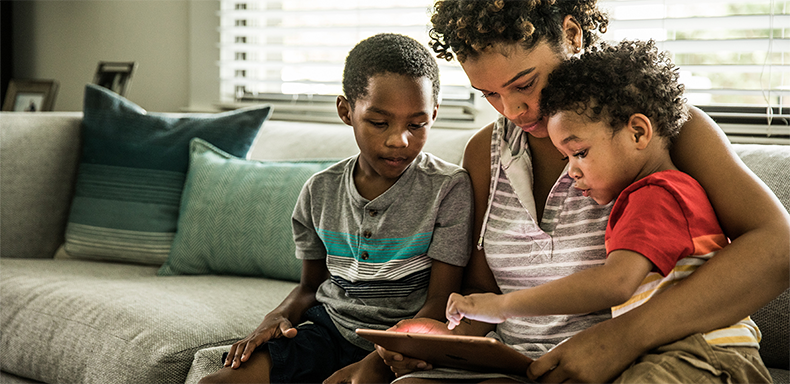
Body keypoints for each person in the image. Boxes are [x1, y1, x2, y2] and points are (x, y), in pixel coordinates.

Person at [376, 1, 789, 383]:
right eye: (490, 94)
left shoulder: (655, 131)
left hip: (641, 361)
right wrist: (438, 340)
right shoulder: (486, 153)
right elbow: (486, 296)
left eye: (524, 83)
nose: (512, 111)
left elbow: (777, 247)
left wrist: (623, 338)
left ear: (572, 35)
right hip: (526, 367)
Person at [198, 33, 474, 384]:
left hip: (404, 344)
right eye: (379, 122)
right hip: (327, 333)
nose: (398, 139)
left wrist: (375, 361)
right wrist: (276, 316)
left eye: (416, 125)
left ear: (433, 114)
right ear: (346, 110)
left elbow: (440, 300)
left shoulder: (449, 188)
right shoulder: (320, 190)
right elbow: (310, 288)